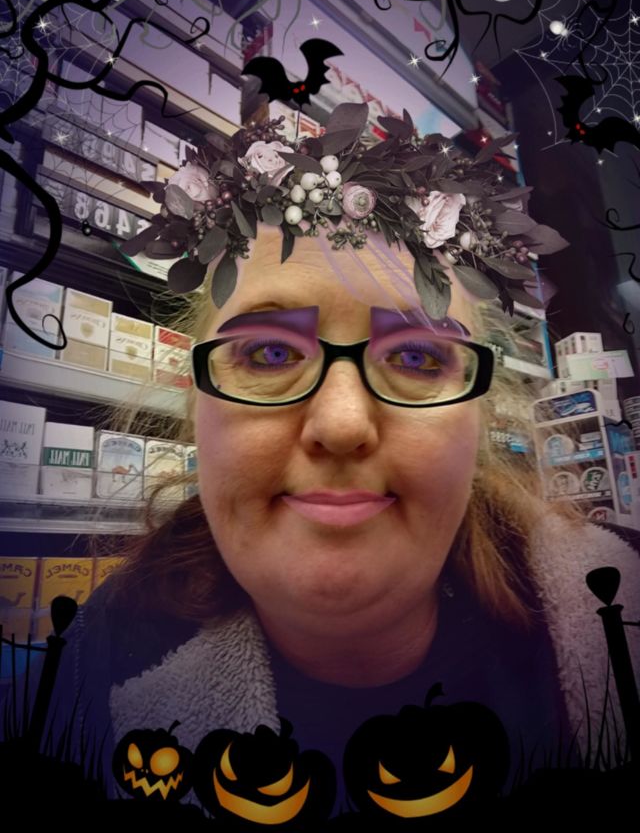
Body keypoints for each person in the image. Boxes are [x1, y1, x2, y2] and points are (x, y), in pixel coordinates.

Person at [10, 105, 640, 816]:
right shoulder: (79, 680)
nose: (341, 424)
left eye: (416, 358)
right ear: (197, 409)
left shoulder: (623, 618)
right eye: (269, 353)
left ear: (479, 419)